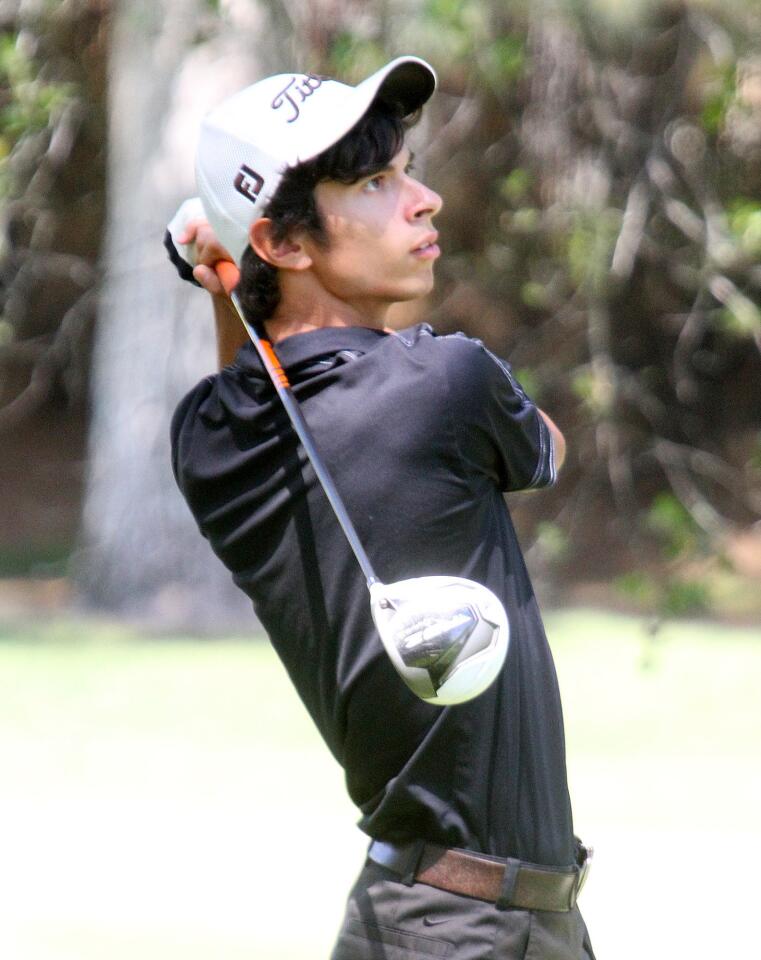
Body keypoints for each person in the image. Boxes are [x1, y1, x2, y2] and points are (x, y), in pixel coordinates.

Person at [166, 56, 595, 960]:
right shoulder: (446, 382)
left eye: (404, 171)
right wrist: (226, 272)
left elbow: (262, 392)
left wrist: (229, 280)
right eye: (374, 181)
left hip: (425, 918)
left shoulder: (208, 443)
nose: (424, 199)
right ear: (284, 243)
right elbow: (547, 450)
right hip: (470, 929)